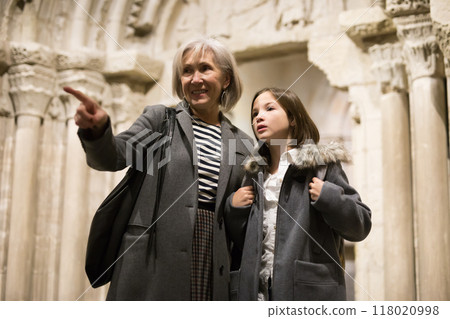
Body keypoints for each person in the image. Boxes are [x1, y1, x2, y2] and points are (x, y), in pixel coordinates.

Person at [63, 37, 253, 300]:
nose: (195, 78)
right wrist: (96, 131)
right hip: (151, 259)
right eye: (187, 71)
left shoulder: (242, 142)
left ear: (227, 79)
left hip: (212, 257)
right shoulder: (161, 122)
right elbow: (114, 157)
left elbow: (242, 215)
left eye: (205, 68)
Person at [224, 87, 372, 301]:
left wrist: (329, 197)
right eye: (255, 113)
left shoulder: (321, 166)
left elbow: (360, 226)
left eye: (269, 108)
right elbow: (240, 242)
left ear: (292, 118)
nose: (259, 117)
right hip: (257, 295)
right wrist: (234, 209)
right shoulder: (253, 173)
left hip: (307, 294)